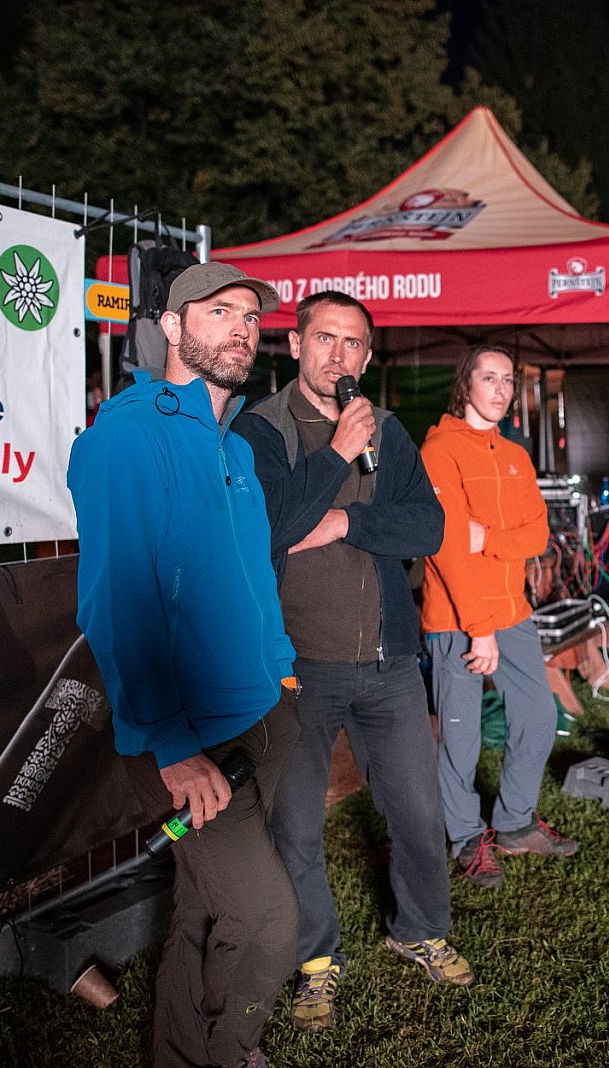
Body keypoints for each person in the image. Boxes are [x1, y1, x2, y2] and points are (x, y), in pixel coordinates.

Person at [69, 262, 298, 1068]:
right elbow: (116, 602)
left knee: (206, 907)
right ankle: (228, 1052)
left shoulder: (233, 445)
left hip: (265, 712)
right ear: (169, 326)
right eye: (219, 311)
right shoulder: (127, 436)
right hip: (191, 739)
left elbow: (251, 575)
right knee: (270, 923)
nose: (242, 327)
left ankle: (178, 1053)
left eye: (251, 317)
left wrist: (283, 671)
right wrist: (170, 744)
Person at [231, 290, 471, 1035]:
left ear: (368, 355)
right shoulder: (259, 429)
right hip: (297, 667)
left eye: (354, 343)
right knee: (297, 825)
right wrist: (335, 453)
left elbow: (427, 527)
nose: (339, 355)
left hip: (389, 663)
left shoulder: (385, 429)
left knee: (420, 813)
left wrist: (345, 520)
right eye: (325, 339)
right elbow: (270, 526)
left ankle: (420, 931)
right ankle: (315, 959)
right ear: (296, 344)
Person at [420, 346, 579, 892]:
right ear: (465, 385)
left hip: (513, 612)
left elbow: (538, 536)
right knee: (461, 737)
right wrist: (479, 629)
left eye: (508, 380)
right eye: (489, 378)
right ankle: (466, 837)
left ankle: (514, 823)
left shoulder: (515, 454)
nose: (501, 389)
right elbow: (447, 548)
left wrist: (487, 536)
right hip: (457, 617)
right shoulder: (439, 450)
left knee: (538, 716)